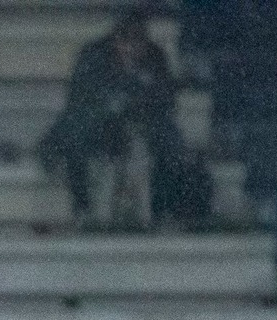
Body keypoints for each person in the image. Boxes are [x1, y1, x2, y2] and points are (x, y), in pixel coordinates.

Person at [38, 9, 188, 230]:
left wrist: (137, 96)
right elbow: (79, 99)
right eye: (126, 41)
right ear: (115, 40)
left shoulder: (155, 57)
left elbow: (166, 101)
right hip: (99, 122)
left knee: (171, 143)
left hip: (145, 120)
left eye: (138, 42)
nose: (132, 49)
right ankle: (83, 206)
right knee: (75, 136)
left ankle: (162, 209)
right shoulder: (93, 55)